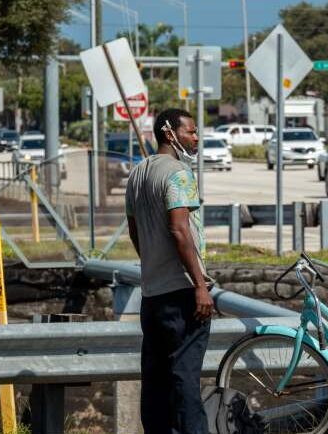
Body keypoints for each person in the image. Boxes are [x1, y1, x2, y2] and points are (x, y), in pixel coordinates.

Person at [125, 108, 214, 434]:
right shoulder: (178, 174)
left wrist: (152, 263)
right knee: (185, 379)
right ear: (169, 133)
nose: (195, 138)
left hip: (153, 294)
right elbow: (179, 230)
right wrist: (200, 285)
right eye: (191, 131)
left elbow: (134, 231)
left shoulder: (137, 174)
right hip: (182, 294)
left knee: (156, 380)